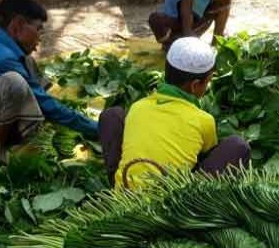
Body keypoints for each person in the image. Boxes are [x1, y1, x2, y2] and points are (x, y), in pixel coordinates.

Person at [0, 0, 97, 159]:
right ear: (18, 25)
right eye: (38, 29)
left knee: (27, 62)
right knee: (14, 81)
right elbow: (45, 104)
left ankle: (25, 125)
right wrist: (95, 128)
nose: (39, 38)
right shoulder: (1, 57)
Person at [98, 37, 250, 188]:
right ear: (195, 85)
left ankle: (115, 181)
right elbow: (205, 156)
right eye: (208, 81)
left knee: (111, 115)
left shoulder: (138, 107)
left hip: (125, 192)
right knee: (238, 145)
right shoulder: (204, 120)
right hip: (172, 205)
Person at [148, 0, 231, 50]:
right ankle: (170, 45)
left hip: (195, 24)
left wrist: (215, 48)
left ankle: (213, 46)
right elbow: (187, 32)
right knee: (155, 19)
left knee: (225, 3)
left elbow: (219, 35)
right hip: (177, 28)